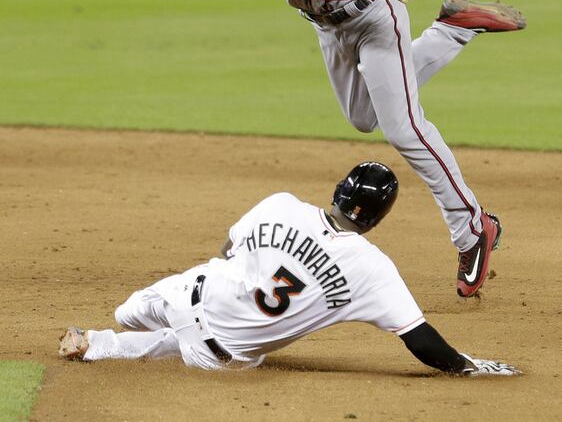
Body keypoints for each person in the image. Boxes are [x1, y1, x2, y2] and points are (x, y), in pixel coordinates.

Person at [236, 0, 527, 298]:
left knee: (405, 127)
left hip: (379, 19)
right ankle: (452, 29)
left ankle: (473, 228)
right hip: (332, 26)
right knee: (364, 118)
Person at [58, 162, 519, 376]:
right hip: (220, 354)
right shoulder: (372, 269)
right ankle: (99, 345)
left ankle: (104, 337)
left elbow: (226, 249)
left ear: (338, 191)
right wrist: (468, 366)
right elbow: (420, 340)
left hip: (191, 290)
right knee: (172, 346)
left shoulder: (280, 203)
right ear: (378, 219)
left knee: (131, 310)